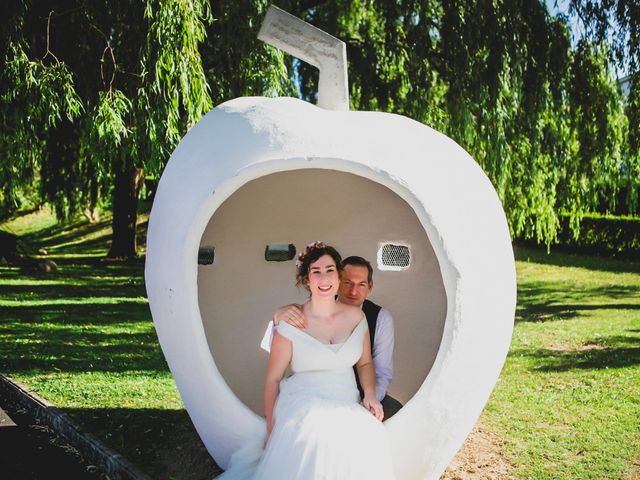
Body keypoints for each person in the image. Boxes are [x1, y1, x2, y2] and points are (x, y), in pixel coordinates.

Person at [218, 241, 396, 480]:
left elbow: (364, 363)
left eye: (330, 270)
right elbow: (273, 379)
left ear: (338, 275)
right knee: (315, 432)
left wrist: (371, 394)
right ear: (306, 279)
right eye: (316, 272)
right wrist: (271, 426)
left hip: (346, 398)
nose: (324, 278)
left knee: (367, 433)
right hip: (303, 399)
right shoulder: (290, 320)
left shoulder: (357, 316)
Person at [268, 256, 403, 419]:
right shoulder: (305, 311)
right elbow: (278, 352)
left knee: (395, 412)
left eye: (361, 284)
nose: (353, 291)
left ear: (370, 286)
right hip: (310, 392)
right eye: (347, 283)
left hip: (361, 392)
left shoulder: (380, 317)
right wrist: (276, 318)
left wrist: (369, 398)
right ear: (338, 281)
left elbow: (381, 371)